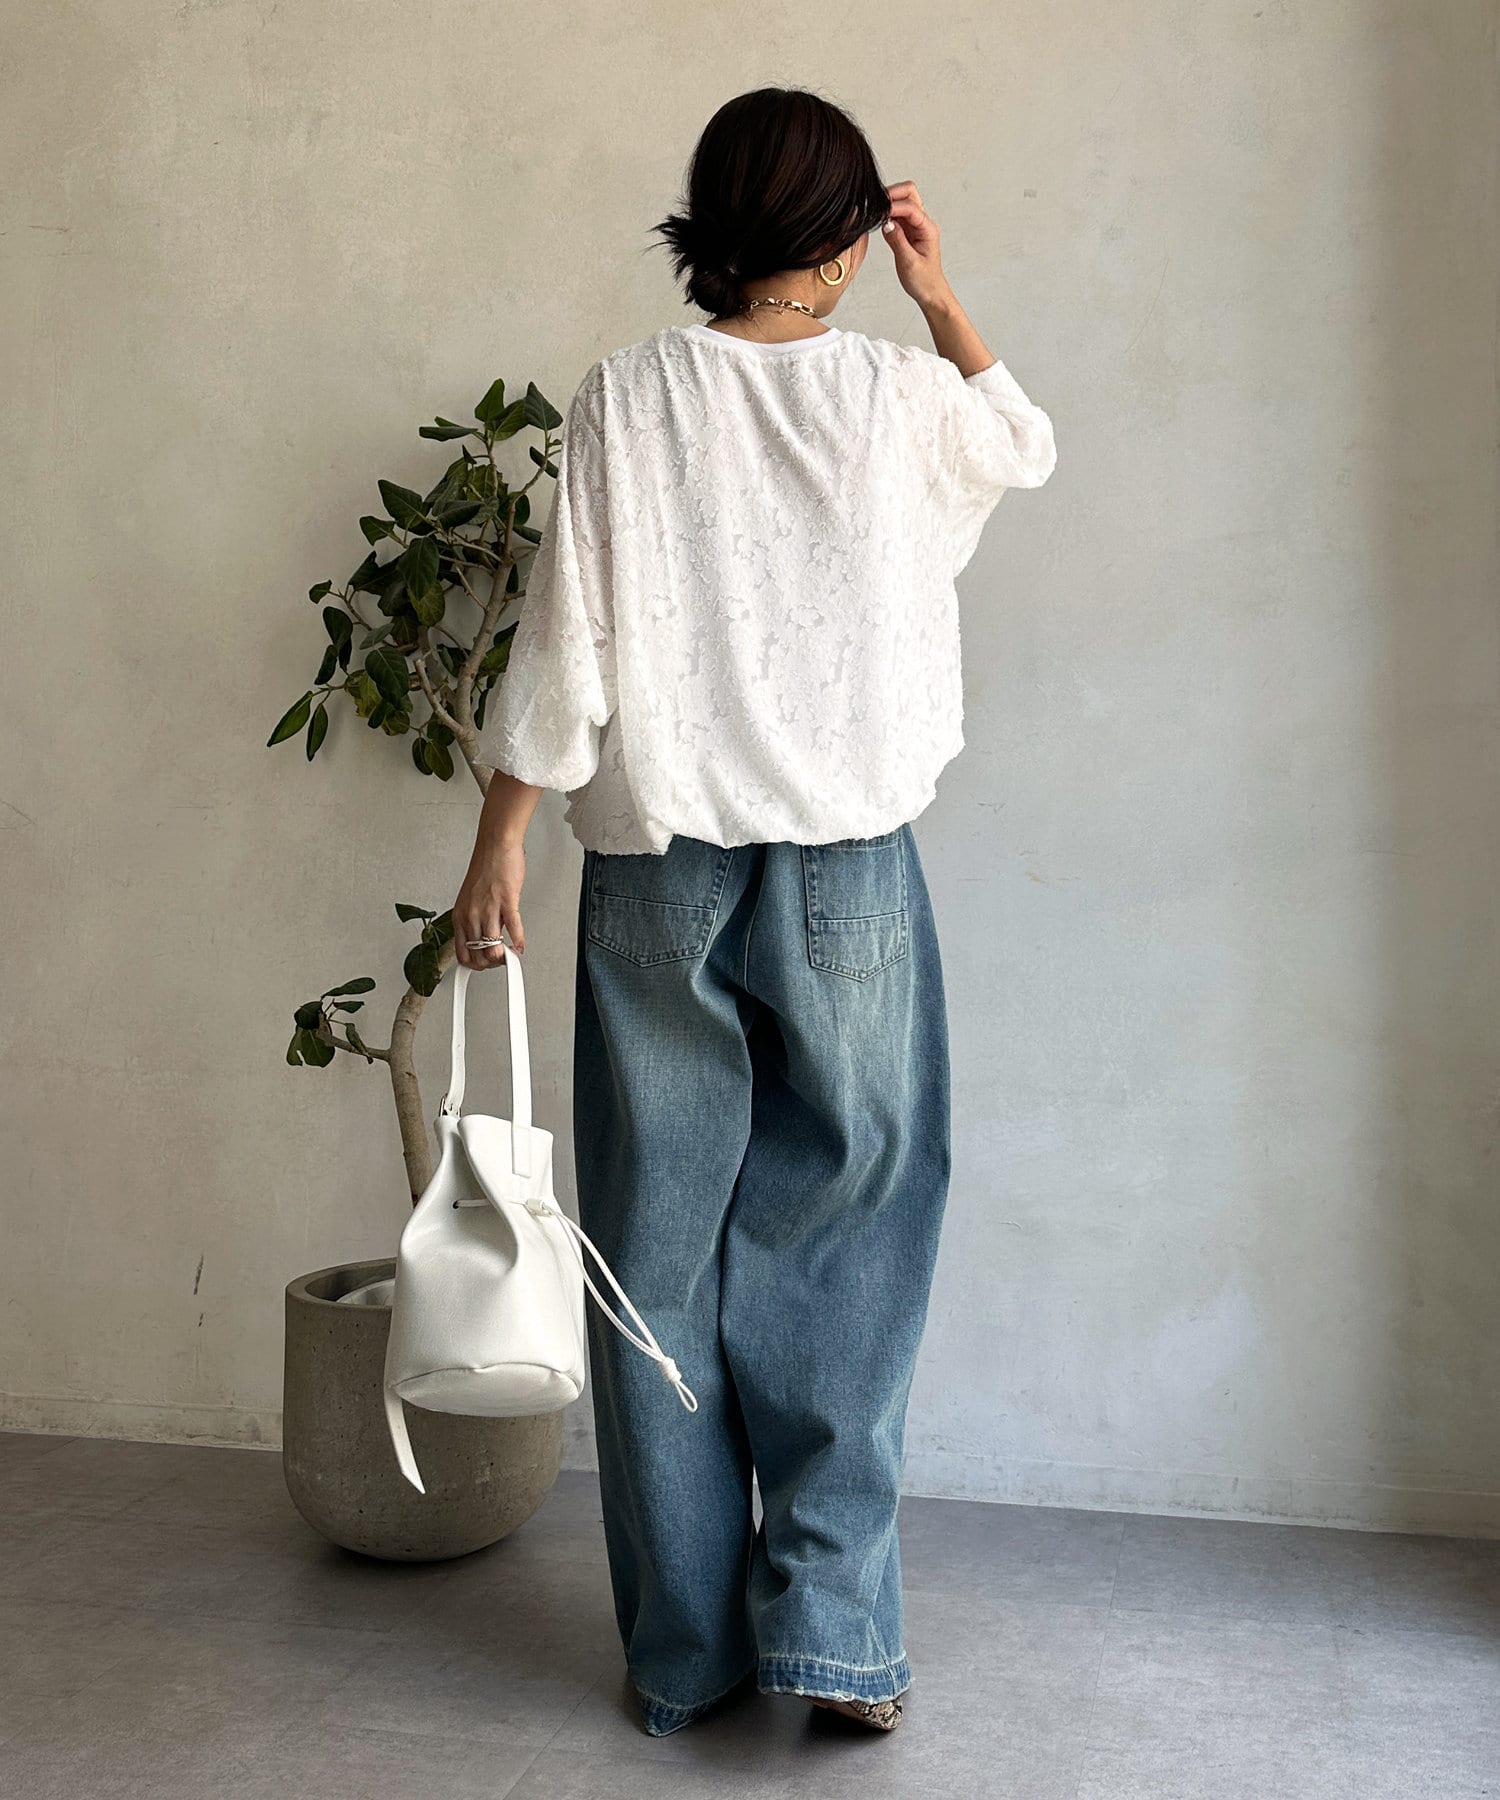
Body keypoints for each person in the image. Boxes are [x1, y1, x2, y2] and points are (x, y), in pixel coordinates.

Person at [452, 85, 1056, 1739]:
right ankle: (835, 1638)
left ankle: (686, 1655)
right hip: (851, 864)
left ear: (710, 218)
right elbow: (1020, 443)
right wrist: (939, 295)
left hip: (661, 863)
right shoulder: (894, 395)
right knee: (851, 1228)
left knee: (653, 1247)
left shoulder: (628, 394)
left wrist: (501, 840)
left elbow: (566, 640)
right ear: (849, 235)